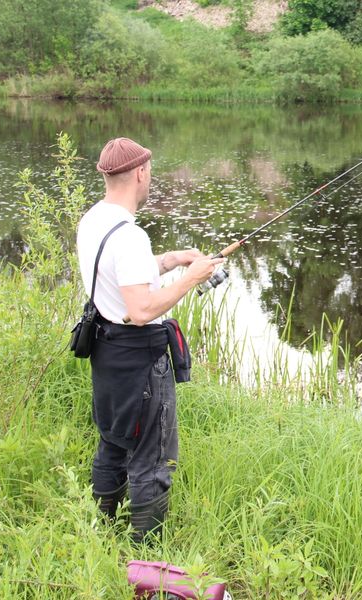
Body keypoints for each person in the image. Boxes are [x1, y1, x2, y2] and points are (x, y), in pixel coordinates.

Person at [76, 137, 224, 543]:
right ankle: (146, 554)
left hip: (107, 351)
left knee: (113, 439)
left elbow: (125, 274)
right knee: (152, 459)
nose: (150, 178)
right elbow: (141, 309)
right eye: (150, 172)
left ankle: (103, 531)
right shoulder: (130, 235)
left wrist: (173, 260)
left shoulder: (93, 220)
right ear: (140, 173)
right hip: (140, 358)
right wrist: (192, 278)